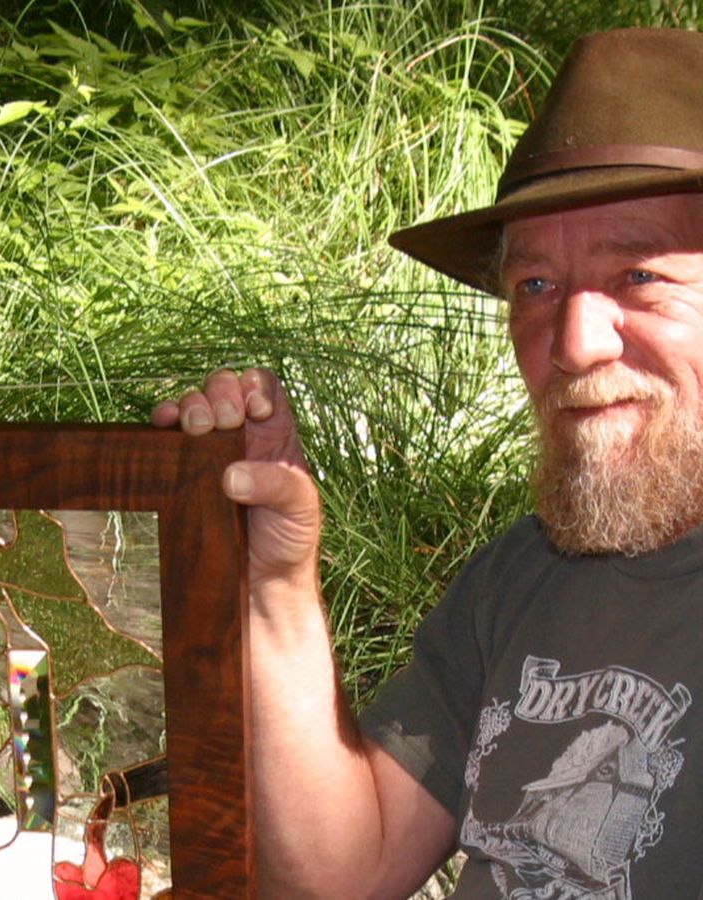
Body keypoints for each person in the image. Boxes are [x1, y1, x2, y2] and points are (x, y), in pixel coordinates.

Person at [153, 28, 703, 899]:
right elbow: (341, 874)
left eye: (638, 275)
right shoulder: (523, 574)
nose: (573, 343)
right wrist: (271, 584)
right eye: (535, 286)